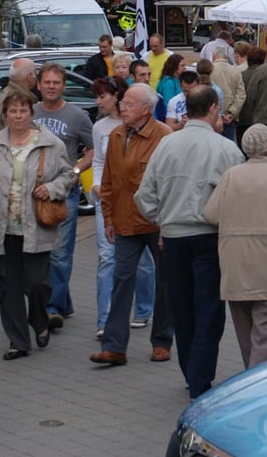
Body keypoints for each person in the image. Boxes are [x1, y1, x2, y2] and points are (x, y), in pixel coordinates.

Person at [135, 86, 244, 399]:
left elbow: (144, 195)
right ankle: (199, 377)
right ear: (212, 108)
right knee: (209, 309)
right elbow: (236, 198)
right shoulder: (226, 149)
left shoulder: (166, 144)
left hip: (173, 237)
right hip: (210, 236)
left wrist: (163, 218)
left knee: (182, 309)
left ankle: (191, 372)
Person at [0, 86, 74, 360]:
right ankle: (18, 341)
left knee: (35, 284)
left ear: (32, 114)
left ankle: (40, 319)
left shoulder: (49, 143)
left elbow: (68, 176)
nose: (18, 116)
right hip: (2, 227)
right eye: (12, 111)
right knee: (8, 287)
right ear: (5, 114)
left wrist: (52, 189)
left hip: (36, 227)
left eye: (23, 111)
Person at [90, 83, 175, 366]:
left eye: (127, 103)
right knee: (121, 280)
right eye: (122, 103)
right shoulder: (115, 135)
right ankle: (115, 347)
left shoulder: (164, 136)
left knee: (165, 282)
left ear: (145, 109)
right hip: (125, 221)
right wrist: (109, 218)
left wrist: (166, 226)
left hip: (156, 223)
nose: (121, 107)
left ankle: (162, 342)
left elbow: (170, 185)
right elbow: (110, 182)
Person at [203, 124, 267, 369]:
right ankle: (255, 383)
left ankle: (249, 375)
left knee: (246, 333)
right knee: (265, 333)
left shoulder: (231, 174)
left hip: (234, 264)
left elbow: (211, 214)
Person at [89, 77, 154, 340]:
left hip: (144, 209)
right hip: (109, 201)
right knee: (108, 259)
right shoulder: (103, 129)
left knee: (145, 263)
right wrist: (96, 188)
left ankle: (144, 309)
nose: (97, 101)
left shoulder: (154, 130)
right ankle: (105, 321)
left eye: (102, 96)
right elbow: (99, 163)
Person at [33, 62, 94, 331]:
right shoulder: (30, 112)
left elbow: (93, 150)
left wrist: (77, 169)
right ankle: (63, 301)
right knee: (41, 251)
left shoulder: (77, 116)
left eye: (56, 83)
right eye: (47, 82)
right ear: (38, 85)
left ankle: (52, 307)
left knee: (60, 253)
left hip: (65, 192)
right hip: (34, 193)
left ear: (63, 86)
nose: (51, 87)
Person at [0, 58, 39, 134]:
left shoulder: (7, 92)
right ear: (29, 77)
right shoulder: (16, 98)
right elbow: (16, 134)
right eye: (35, 74)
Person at [210, 45, 246, 141]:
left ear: (214, 56)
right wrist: (232, 112)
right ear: (226, 56)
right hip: (229, 117)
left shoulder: (209, 70)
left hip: (212, 117)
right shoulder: (235, 71)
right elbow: (241, 94)